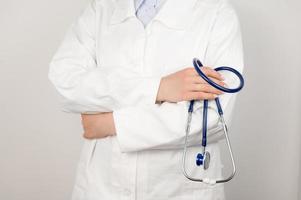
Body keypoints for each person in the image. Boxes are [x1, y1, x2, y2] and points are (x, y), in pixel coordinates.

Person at [48, 0, 244, 199]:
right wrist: (159, 88)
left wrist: (113, 124)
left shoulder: (217, 12)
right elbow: (65, 83)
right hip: (101, 186)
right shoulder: (102, 7)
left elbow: (213, 118)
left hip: (178, 190)